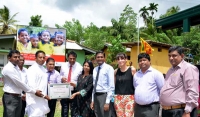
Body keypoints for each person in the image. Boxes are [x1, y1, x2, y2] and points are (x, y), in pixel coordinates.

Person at [2, 50, 43, 117]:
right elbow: (20, 83)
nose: (17, 59)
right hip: (10, 97)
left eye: (18, 57)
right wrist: (34, 91)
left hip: (18, 96)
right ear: (9, 58)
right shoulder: (8, 69)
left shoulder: (16, 68)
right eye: (15, 57)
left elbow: (23, 82)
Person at [160, 46, 199, 117]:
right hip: (167, 111)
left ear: (182, 56)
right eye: (169, 56)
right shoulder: (170, 70)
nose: (171, 58)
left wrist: (187, 111)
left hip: (180, 111)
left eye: (174, 56)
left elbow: (192, 91)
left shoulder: (188, 68)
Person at [133, 53, 165, 117]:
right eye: (140, 61)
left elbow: (162, 89)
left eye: (144, 60)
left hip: (151, 108)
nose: (142, 62)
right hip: (138, 108)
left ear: (149, 61)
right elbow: (135, 87)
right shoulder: (136, 75)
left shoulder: (156, 74)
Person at [26, 50, 51, 117]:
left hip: (42, 100)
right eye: (40, 57)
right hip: (34, 100)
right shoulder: (32, 69)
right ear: (35, 58)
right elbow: (32, 86)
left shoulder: (43, 69)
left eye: (43, 57)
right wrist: (44, 95)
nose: (42, 59)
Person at [90, 51, 115, 117]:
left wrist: (107, 102)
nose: (100, 58)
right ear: (96, 58)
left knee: (105, 115)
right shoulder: (95, 69)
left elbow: (111, 86)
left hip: (104, 95)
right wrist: (93, 100)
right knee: (97, 114)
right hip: (96, 96)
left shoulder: (109, 68)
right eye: (98, 57)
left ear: (104, 58)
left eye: (101, 57)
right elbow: (94, 85)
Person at [60, 51, 82, 117]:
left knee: (74, 110)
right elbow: (60, 75)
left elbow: (81, 80)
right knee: (64, 110)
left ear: (76, 58)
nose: (72, 60)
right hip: (64, 91)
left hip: (74, 91)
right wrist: (61, 78)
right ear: (67, 58)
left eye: (74, 58)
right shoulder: (63, 66)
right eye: (70, 58)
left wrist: (75, 84)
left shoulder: (80, 67)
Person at [114, 53, 136, 117]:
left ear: (126, 59)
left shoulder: (132, 70)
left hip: (130, 98)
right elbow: (114, 84)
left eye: (122, 58)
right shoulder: (115, 71)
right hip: (118, 97)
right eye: (118, 59)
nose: (120, 60)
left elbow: (136, 84)